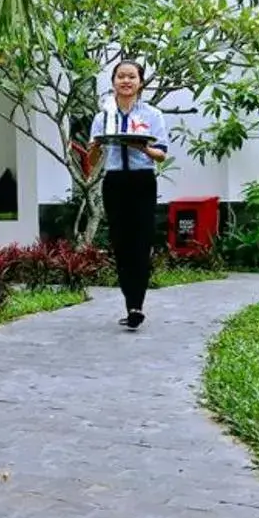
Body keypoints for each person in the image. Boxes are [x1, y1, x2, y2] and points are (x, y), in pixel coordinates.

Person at [88, 58, 169, 330]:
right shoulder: (103, 117)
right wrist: (95, 146)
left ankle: (137, 305)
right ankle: (129, 303)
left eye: (131, 77)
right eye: (120, 76)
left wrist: (142, 148)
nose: (126, 81)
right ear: (113, 82)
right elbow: (93, 158)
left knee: (141, 242)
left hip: (142, 181)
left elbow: (161, 155)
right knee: (121, 244)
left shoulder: (152, 115)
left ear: (140, 83)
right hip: (115, 183)